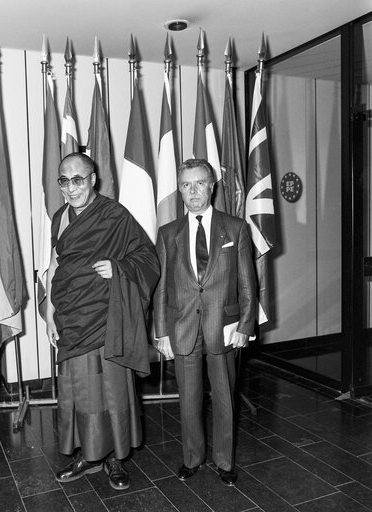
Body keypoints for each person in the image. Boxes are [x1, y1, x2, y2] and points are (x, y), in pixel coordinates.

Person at [46, 152, 159, 490]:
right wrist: (49, 313)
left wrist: (118, 268)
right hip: (71, 316)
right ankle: (88, 453)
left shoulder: (114, 215)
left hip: (105, 316)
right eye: (63, 181)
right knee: (77, 390)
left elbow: (148, 258)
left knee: (110, 391)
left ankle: (114, 458)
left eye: (77, 179)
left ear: (92, 178)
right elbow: (55, 264)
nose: (70, 187)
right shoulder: (59, 217)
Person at [153, 158, 256, 485]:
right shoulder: (168, 233)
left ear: (212, 186)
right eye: (186, 184)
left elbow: (247, 283)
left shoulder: (236, 228)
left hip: (223, 329)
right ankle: (192, 458)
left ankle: (225, 462)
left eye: (199, 183)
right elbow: (161, 287)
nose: (193, 190)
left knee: (225, 398)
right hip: (182, 329)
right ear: (180, 189)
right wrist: (161, 332)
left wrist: (245, 325)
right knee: (189, 401)